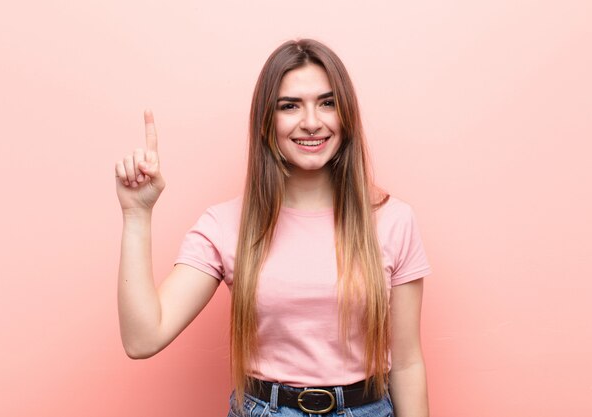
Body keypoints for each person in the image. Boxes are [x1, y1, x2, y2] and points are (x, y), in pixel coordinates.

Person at [115, 38, 432, 417]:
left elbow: (408, 363)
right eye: (290, 106)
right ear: (267, 120)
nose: (312, 122)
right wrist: (137, 214)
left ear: (346, 115)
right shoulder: (226, 225)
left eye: (327, 103)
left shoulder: (394, 220)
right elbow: (143, 338)